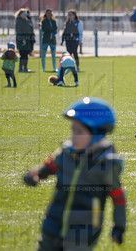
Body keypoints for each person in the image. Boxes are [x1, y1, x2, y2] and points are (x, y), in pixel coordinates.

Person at [23, 97, 127, 250]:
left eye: (79, 131)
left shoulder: (107, 165)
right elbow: (49, 167)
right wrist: (35, 175)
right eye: (73, 129)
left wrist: (119, 226)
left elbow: (118, 197)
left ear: (97, 133)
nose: (73, 136)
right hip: (53, 224)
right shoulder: (66, 153)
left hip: (82, 233)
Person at [15, 8, 35, 72]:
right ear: (20, 14)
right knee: (22, 54)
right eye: (23, 13)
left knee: (26, 54)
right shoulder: (18, 21)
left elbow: (30, 29)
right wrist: (23, 39)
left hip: (28, 40)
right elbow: (19, 31)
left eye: (25, 13)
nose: (25, 14)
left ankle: (25, 68)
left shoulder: (27, 21)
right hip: (21, 41)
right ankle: (21, 68)